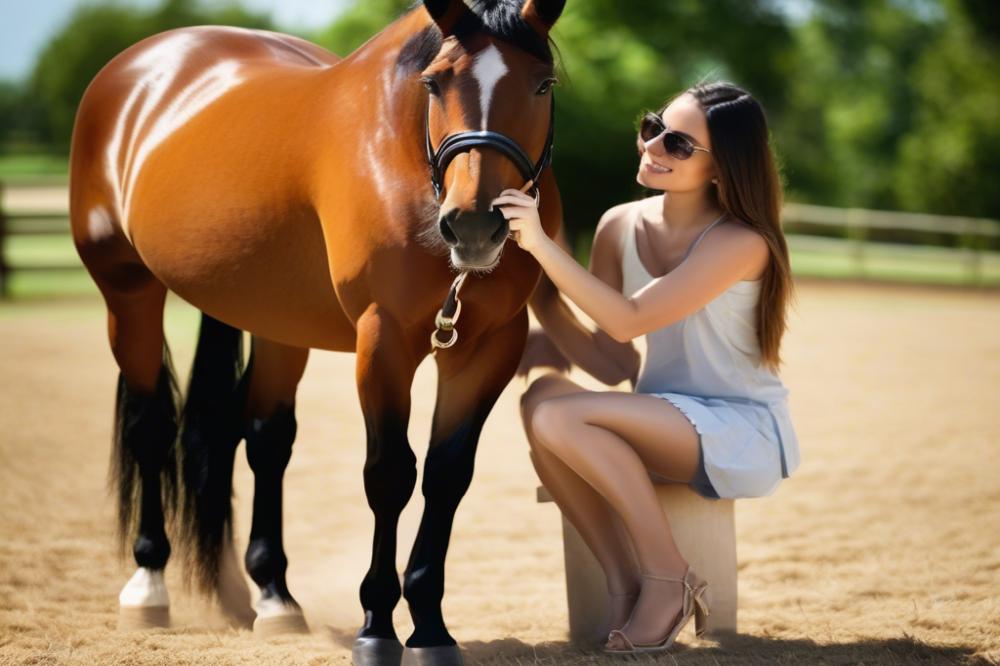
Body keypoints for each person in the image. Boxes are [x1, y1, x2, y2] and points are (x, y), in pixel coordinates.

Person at [491, 80, 801, 654]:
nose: (654, 146)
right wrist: (538, 300)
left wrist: (538, 243)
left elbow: (629, 319)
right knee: (540, 402)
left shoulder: (741, 241)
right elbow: (612, 362)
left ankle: (669, 576)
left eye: (679, 144)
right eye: (653, 127)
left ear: (720, 167)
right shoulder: (618, 225)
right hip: (661, 414)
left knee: (561, 419)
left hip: (737, 429)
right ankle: (624, 582)